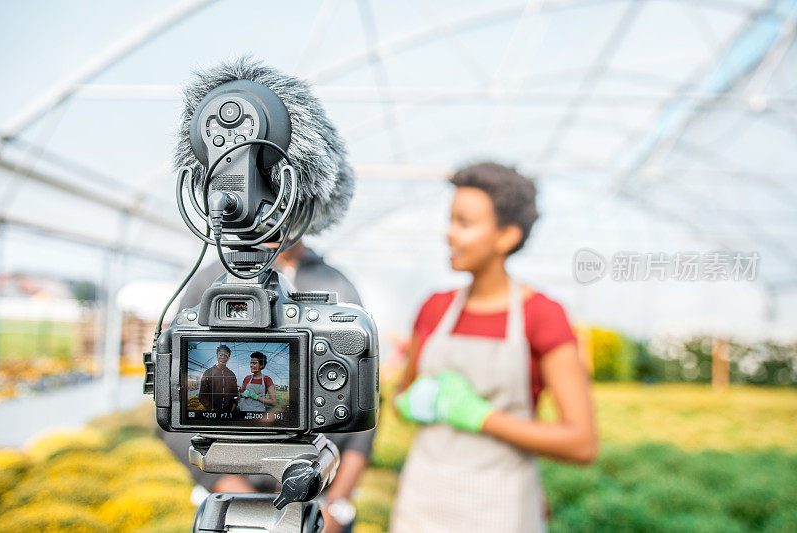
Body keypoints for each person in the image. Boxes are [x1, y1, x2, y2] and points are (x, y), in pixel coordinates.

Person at [390, 162, 598, 533]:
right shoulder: (434, 307)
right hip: (424, 500)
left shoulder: (542, 315)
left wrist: (480, 415)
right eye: (450, 220)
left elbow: (581, 443)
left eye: (464, 223)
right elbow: (402, 397)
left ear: (506, 236)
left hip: (501, 505)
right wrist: (409, 402)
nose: (449, 234)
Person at [161, 240, 374, 533]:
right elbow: (174, 399)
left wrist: (334, 509)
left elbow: (364, 406)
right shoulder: (212, 279)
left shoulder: (338, 283)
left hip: (321, 501)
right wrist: (245, 504)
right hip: (231, 505)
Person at [198, 344, 238, 412]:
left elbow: (235, 393)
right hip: (212, 412)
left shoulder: (231, 374)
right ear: (217, 356)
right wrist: (210, 407)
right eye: (221, 355)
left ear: (228, 357)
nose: (223, 357)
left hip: (228, 411)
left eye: (225, 355)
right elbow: (202, 395)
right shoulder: (208, 373)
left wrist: (234, 404)